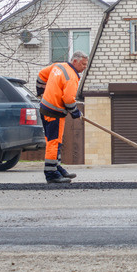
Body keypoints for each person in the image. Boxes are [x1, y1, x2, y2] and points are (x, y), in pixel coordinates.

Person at [36, 51, 89, 183]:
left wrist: (41, 92)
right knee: (54, 142)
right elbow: (69, 100)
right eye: (83, 64)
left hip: (44, 108)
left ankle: (56, 167)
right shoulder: (71, 76)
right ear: (75, 61)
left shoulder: (58, 66)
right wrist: (76, 113)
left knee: (52, 141)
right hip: (54, 112)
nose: (84, 67)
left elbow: (41, 75)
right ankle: (51, 174)